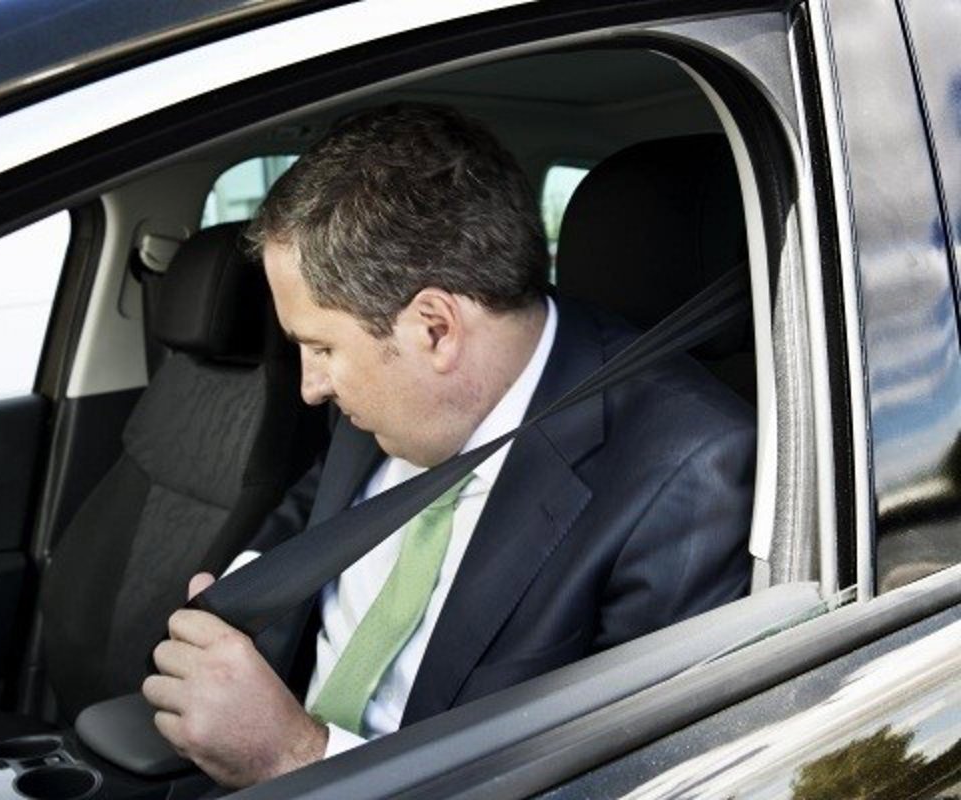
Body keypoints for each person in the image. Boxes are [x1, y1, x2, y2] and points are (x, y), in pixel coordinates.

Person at [141, 103, 755, 789]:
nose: (310, 387)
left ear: (435, 328)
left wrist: (293, 758)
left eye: (321, 348)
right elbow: (313, 518)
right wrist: (242, 599)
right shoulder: (387, 393)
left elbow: (621, 782)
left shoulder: (688, 478)